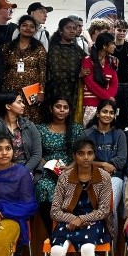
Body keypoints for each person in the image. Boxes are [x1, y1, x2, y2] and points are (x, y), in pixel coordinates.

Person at [49, 137, 113, 256]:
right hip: (67, 220)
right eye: (81, 153)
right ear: (74, 156)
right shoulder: (65, 177)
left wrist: (82, 219)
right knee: (56, 251)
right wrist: (73, 219)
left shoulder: (104, 177)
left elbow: (104, 210)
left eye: (90, 153)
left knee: (87, 249)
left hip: (94, 221)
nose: (86, 157)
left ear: (94, 155)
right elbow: (54, 210)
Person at [35, 97, 83, 233]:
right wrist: (48, 165)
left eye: (65, 107)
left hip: (72, 168)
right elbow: (36, 152)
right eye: (58, 107)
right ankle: (53, 233)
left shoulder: (77, 129)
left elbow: (81, 152)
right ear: (51, 109)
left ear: (69, 110)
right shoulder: (40, 129)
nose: (62, 110)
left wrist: (70, 166)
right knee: (43, 187)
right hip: (47, 169)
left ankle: (72, 230)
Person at [82, 99, 127, 243]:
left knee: (109, 206)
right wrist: (102, 164)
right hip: (91, 177)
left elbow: (121, 160)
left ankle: (111, 246)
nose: (108, 115)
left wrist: (109, 166)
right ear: (97, 113)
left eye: (111, 113)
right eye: (104, 111)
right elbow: (83, 159)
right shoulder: (87, 134)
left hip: (115, 177)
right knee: (89, 207)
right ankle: (91, 242)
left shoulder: (120, 134)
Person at [1, 15, 47, 123]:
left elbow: (43, 71)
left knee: (31, 120)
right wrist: (3, 91)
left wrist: (41, 91)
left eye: (31, 27)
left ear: (35, 30)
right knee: (11, 117)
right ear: (19, 27)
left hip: (31, 92)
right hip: (11, 89)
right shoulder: (8, 47)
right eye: (25, 25)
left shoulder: (39, 49)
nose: (28, 28)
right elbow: (3, 69)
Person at [0, 91, 43, 173]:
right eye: (19, 102)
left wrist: (23, 171)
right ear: (8, 106)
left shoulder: (29, 125)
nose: (23, 105)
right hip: (3, 171)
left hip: (29, 169)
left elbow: (37, 154)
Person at [45, 17, 87, 111]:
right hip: (58, 91)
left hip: (75, 90)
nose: (72, 31)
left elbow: (88, 60)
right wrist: (78, 75)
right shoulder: (55, 49)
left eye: (74, 28)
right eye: (68, 28)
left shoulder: (77, 48)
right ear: (61, 30)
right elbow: (57, 74)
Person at [82, 33, 118, 127]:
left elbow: (114, 84)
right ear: (104, 46)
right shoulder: (88, 60)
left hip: (107, 104)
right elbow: (90, 84)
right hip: (91, 104)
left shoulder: (112, 61)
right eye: (112, 44)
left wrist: (108, 98)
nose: (115, 46)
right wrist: (107, 97)